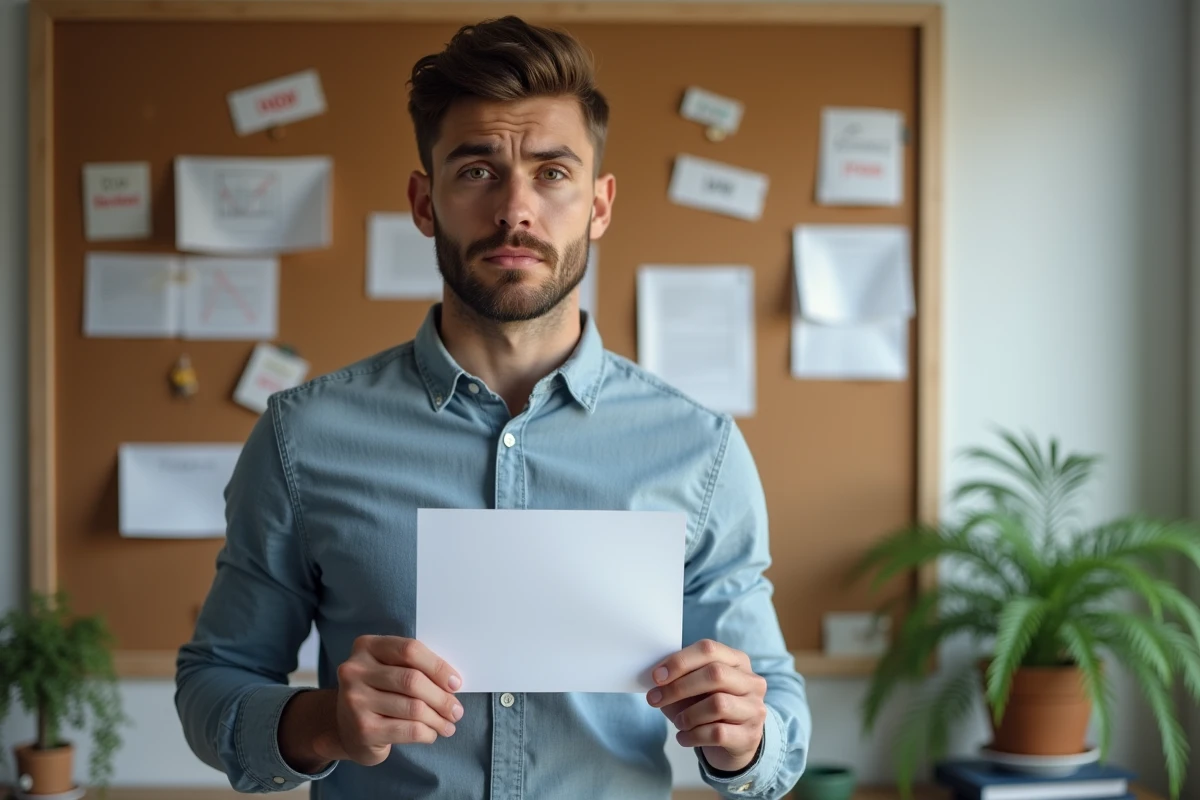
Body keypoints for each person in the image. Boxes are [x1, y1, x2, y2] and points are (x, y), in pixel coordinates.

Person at [176, 15, 811, 800]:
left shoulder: (700, 449)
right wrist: (326, 722)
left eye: (552, 173)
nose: (515, 209)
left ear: (599, 204)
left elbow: (778, 715)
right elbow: (215, 681)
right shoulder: (302, 437)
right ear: (424, 202)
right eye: (477, 170)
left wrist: (745, 737)